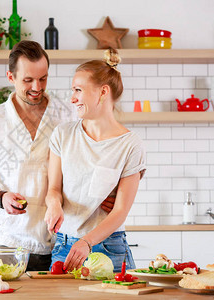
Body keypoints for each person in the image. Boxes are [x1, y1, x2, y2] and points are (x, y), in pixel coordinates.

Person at [0, 40, 115, 271]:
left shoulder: (68, 113)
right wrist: (0, 196)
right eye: (28, 80)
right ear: (11, 77)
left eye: (43, 78)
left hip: (63, 242)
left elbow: (100, 151)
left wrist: (111, 189)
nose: (37, 87)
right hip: (12, 242)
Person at [44, 48, 146, 273]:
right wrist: (53, 205)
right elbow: (53, 188)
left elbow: (120, 210)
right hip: (65, 246)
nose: (72, 98)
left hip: (109, 247)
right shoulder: (63, 134)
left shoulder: (130, 145)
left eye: (78, 90)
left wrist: (87, 241)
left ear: (102, 92)